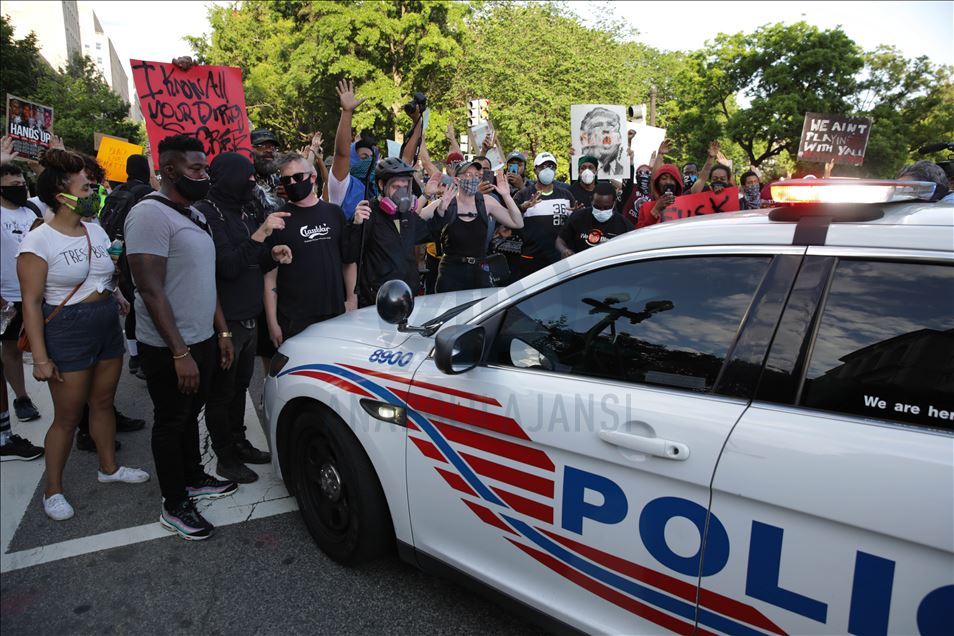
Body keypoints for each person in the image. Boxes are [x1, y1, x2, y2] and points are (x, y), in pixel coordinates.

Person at [17, 149, 150, 521]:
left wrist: (119, 294)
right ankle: (53, 490)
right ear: (62, 196)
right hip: (67, 329)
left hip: (106, 322)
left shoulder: (93, 227)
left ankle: (109, 469)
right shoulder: (38, 242)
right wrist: (41, 359)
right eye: (86, 186)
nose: (95, 190)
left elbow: (102, 271)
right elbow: (30, 304)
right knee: (67, 416)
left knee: (103, 401)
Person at [125, 135, 237, 541]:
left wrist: (221, 330)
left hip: (203, 337)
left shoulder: (195, 213)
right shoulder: (149, 216)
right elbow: (150, 289)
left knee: (191, 414)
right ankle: (174, 504)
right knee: (171, 422)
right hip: (169, 347)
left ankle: (193, 478)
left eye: (205, 168)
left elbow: (205, 280)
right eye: (196, 169)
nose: (204, 174)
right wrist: (179, 352)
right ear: (170, 170)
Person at [196, 152, 291, 484]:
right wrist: (263, 234)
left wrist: (271, 255)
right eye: (246, 177)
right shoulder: (207, 215)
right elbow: (228, 266)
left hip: (249, 317)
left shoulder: (242, 211)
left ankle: (238, 441)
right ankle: (224, 456)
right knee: (221, 394)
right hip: (227, 322)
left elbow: (252, 260)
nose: (252, 183)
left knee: (239, 388)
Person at [264, 152, 360, 345]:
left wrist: (351, 299)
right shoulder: (276, 219)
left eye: (298, 177)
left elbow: (348, 262)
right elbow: (269, 277)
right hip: (294, 319)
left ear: (312, 178)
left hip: (335, 313)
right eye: (286, 179)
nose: (292, 183)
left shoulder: (334, 212)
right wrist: (272, 322)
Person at [418, 161, 523, 292]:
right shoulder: (446, 202)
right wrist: (425, 195)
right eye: (468, 174)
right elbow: (413, 219)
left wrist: (506, 195)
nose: (474, 179)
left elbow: (518, 222)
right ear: (457, 180)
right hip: (451, 271)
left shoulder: (486, 202)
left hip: (480, 270)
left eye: (477, 176)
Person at [98, 154, 155, 380]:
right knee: (144, 305)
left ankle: (134, 355)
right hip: (136, 255)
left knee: (131, 305)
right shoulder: (146, 194)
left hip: (114, 255)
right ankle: (145, 356)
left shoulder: (116, 192)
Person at [352, 158, 427, 307]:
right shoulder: (368, 213)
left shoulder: (407, 214)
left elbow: (426, 232)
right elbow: (349, 254)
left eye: (405, 187)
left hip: (407, 297)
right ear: (381, 185)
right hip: (378, 300)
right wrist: (356, 225)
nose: (402, 192)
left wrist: (443, 210)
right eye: (396, 186)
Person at [1, 163, 42, 422]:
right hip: (8, 296)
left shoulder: (33, 209)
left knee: (45, 343)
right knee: (12, 348)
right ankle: (21, 397)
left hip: (39, 292)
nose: (20, 189)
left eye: (22, 184)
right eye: (13, 186)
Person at [511, 152, 576, 280]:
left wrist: (577, 215)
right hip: (532, 258)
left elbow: (572, 226)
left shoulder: (566, 195)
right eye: (543, 166)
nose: (548, 170)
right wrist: (521, 208)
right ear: (535, 170)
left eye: (551, 166)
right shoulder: (522, 195)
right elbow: (509, 222)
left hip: (559, 258)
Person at [557, 182, 631, 257]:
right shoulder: (578, 217)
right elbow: (560, 240)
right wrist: (564, 250)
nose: (602, 211)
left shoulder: (624, 224)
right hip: (580, 265)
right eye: (597, 207)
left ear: (614, 203)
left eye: (606, 208)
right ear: (591, 201)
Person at [635, 164, 685, 230]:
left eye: (673, 179)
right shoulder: (645, 207)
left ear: (677, 183)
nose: (668, 182)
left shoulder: (685, 203)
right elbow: (639, 233)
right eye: (664, 178)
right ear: (657, 183)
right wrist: (655, 210)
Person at [579, 107, 624, 177]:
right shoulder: (581, 171)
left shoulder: (624, 171)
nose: (605, 129)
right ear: (586, 137)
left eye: (611, 125)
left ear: (619, 136)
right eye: (598, 125)